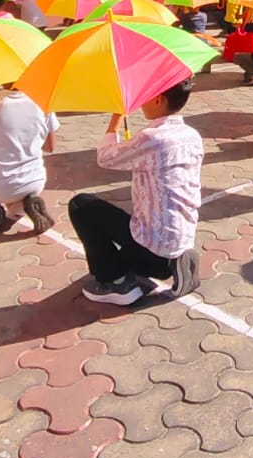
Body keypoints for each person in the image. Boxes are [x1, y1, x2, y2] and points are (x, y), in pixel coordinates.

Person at [71, 78, 203, 305]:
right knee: (128, 227)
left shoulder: (152, 138)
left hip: (153, 251)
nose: (141, 101)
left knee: (81, 205)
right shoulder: (191, 135)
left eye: (146, 95)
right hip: (180, 235)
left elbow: (105, 158)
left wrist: (116, 118)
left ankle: (115, 282)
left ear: (159, 100)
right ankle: (175, 258)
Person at [0, 87, 58, 234]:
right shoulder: (43, 101)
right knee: (19, 191)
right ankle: (15, 212)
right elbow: (50, 147)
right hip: (35, 181)